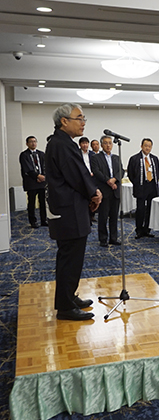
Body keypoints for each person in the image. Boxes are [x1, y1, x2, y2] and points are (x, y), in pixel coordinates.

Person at [45, 103, 102, 321]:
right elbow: (77, 176)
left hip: (68, 209)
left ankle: (68, 297)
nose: (83, 122)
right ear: (64, 121)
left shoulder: (61, 142)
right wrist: (94, 193)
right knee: (70, 258)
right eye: (79, 118)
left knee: (70, 258)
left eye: (84, 118)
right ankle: (66, 307)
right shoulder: (62, 144)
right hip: (69, 212)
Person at [91, 135, 124, 247]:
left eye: (110, 143)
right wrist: (108, 181)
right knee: (103, 217)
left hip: (115, 191)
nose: (108, 145)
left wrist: (114, 179)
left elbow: (121, 171)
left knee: (114, 216)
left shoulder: (116, 157)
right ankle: (103, 239)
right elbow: (96, 171)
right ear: (101, 145)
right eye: (105, 143)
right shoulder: (96, 158)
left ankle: (113, 238)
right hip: (104, 190)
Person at [127, 138, 159, 239]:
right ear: (141, 146)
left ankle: (147, 229)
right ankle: (139, 230)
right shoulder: (134, 158)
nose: (147, 148)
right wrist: (137, 183)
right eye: (145, 145)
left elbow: (157, 173)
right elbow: (130, 174)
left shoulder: (154, 158)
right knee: (140, 209)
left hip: (152, 186)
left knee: (150, 209)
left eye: (149, 146)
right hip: (141, 186)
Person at [19, 135, 47, 228]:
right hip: (31, 182)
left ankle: (44, 220)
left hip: (42, 182)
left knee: (43, 202)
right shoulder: (24, 155)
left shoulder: (41, 154)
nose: (33, 143)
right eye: (31, 141)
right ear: (27, 144)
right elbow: (27, 169)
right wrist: (37, 176)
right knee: (31, 202)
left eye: (35, 141)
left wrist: (43, 177)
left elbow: (45, 167)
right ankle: (33, 221)